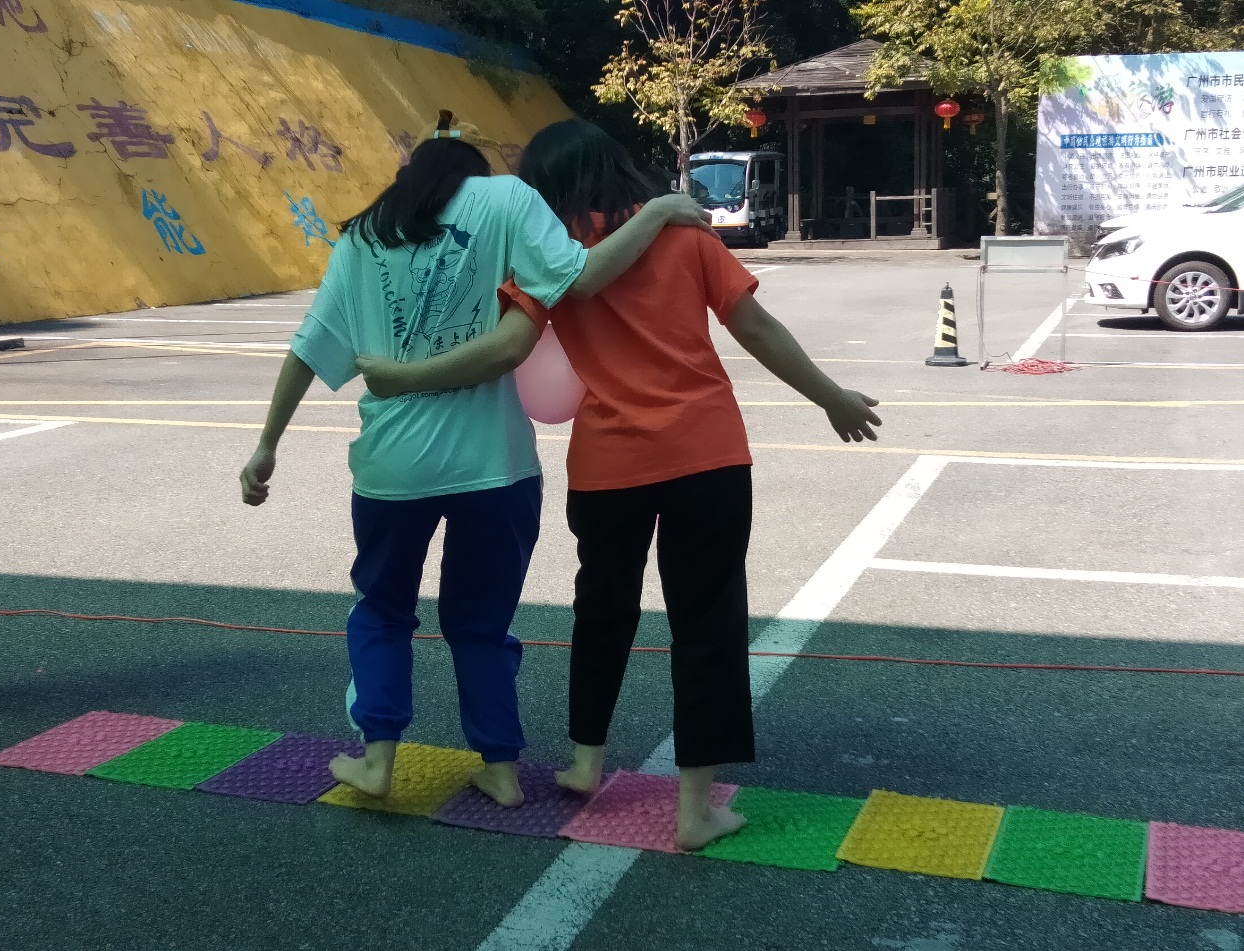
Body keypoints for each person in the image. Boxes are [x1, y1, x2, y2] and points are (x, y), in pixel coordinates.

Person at [354, 119, 881, 849]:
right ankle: (696, 809)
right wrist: (831, 397)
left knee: (602, 611)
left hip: (608, 467)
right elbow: (756, 329)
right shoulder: (684, 236)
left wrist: (403, 379)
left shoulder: (541, 259)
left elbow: (505, 347)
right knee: (707, 623)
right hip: (706, 454)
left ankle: (584, 762)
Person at [239, 112, 713, 808]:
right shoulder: (506, 200)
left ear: (410, 177)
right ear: (471, 174)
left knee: (382, 611)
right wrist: (663, 209)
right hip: (497, 466)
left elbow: (310, 347)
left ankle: (376, 760)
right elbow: (583, 277)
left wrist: (267, 444)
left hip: (393, 467)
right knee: (481, 622)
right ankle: (500, 766)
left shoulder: (363, 234)